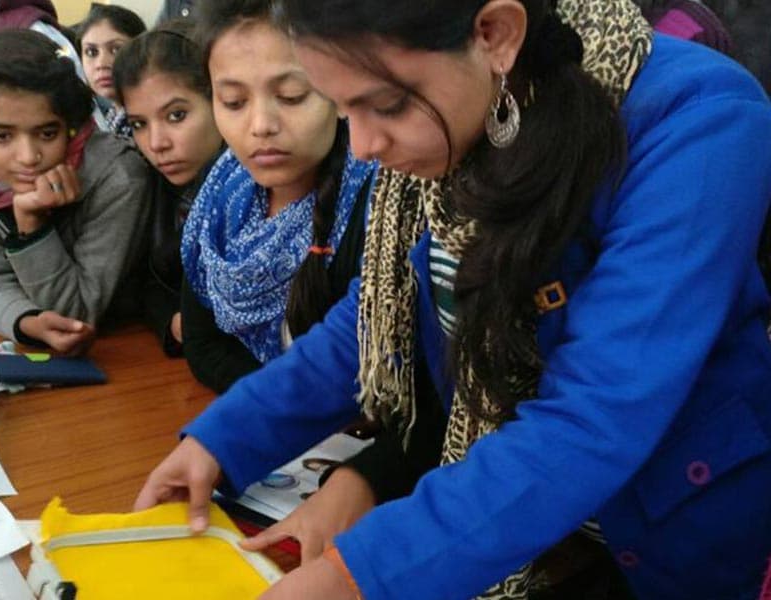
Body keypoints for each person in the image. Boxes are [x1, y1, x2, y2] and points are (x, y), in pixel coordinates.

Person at [136, 0, 771, 599]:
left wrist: (359, 574)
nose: (361, 147)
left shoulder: (698, 120)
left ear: (495, 34)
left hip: (676, 532)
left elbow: (597, 413)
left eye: (384, 105)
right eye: (341, 107)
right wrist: (222, 440)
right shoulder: (467, 120)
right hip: (520, 533)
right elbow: (379, 317)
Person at [176, 0, 376, 392]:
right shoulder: (221, 191)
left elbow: (358, 381)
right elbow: (201, 345)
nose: (261, 126)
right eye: (233, 102)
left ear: (339, 90)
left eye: (291, 95)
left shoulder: (374, 208)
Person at [0, 29, 152, 355]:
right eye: (2, 136)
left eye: (47, 132)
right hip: (42, 355)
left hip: (131, 354)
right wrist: (27, 321)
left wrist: (32, 228)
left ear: (71, 126)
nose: (28, 157)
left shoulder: (119, 177)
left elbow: (77, 313)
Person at [113, 20, 224, 356]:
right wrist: (171, 320)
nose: (157, 143)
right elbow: (147, 282)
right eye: (139, 124)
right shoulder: (151, 184)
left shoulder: (257, 190)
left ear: (221, 99)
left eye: (176, 115)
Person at [77, 4, 146, 137]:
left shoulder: (145, 119)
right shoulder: (112, 114)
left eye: (116, 50)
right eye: (91, 52)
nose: (101, 64)